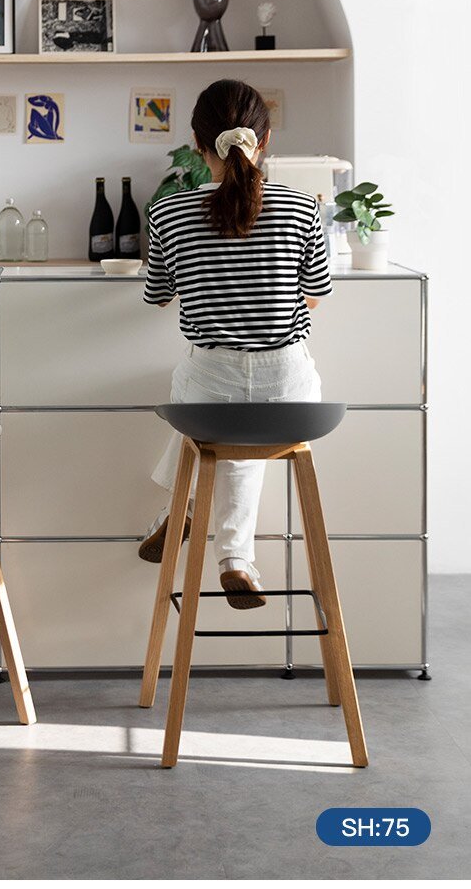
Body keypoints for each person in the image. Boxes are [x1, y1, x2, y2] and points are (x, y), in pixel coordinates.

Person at [140, 79, 331, 610]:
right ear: (263, 142)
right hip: (290, 398)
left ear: (200, 147)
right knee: (244, 433)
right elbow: (315, 296)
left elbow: (157, 296)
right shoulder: (303, 209)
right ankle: (234, 559)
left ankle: (180, 513)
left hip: (208, 394)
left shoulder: (168, 213)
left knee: (212, 424)